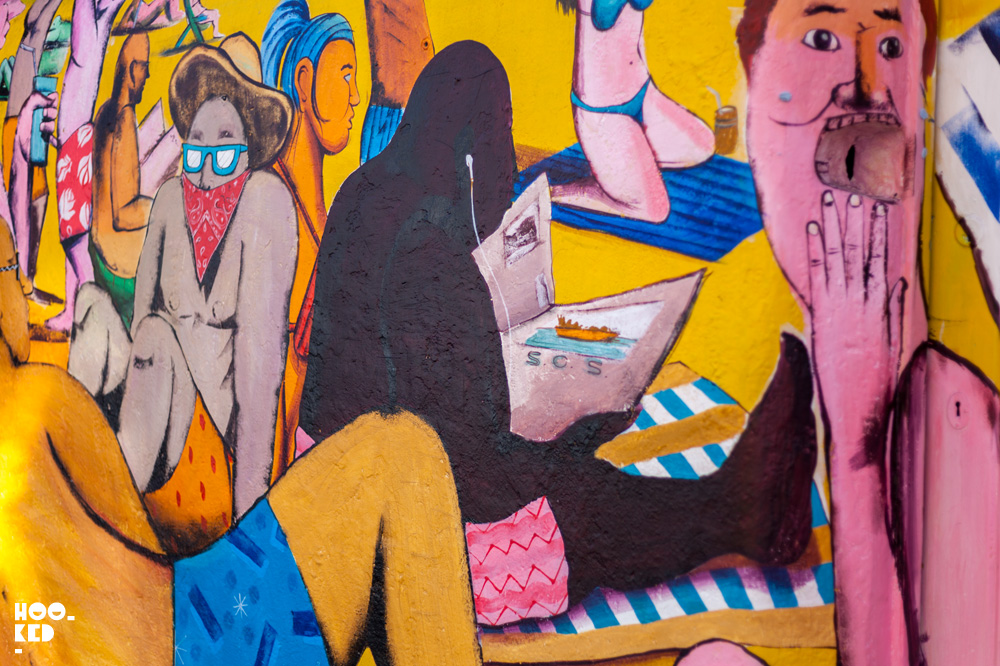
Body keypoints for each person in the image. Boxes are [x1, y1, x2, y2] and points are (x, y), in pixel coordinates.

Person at [300, 41, 818, 619]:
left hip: (334, 481)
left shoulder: (365, 191)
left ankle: (745, 504)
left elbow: (416, 405)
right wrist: (574, 433)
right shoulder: (429, 248)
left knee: (571, 482)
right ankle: (748, 515)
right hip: (405, 541)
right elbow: (468, 465)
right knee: (579, 505)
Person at [0, 221, 484, 666]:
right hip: (202, 636)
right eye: (11, 268)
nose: (23, 289)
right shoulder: (36, 400)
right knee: (400, 453)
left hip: (187, 634)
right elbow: (146, 550)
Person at [736, 0, 952, 663]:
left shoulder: (952, 405)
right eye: (822, 38)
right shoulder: (747, 297)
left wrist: (859, 443)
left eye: (891, 47)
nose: (862, 84)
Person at [69, 33, 296, 522]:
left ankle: (111, 498)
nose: (207, 173)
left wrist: (249, 520)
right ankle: (71, 459)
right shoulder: (172, 201)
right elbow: (142, 313)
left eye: (224, 150)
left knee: (156, 335)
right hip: (153, 399)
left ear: (248, 147)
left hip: (209, 436)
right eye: (196, 151)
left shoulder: (265, 204)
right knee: (90, 304)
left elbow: (259, 376)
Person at [261, 0, 360, 475]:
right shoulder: (277, 209)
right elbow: (272, 403)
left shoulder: (323, 217)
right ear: (304, 82)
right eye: (345, 75)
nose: (355, 97)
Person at [550, 0, 716, 222]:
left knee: (703, 145)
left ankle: (629, 167)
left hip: (642, 94)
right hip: (604, 114)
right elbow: (603, 16)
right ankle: (590, 190)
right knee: (655, 209)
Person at [89, 32, 152, 331]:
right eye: (145, 67)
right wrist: (161, 204)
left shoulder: (105, 111)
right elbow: (123, 214)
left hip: (99, 251)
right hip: (121, 268)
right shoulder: (125, 119)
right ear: (131, 70)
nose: (148, 76)